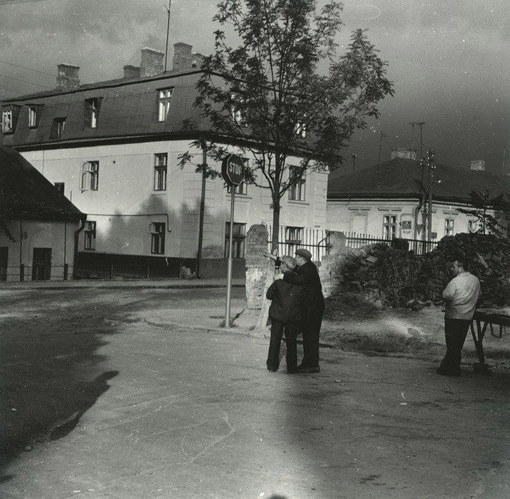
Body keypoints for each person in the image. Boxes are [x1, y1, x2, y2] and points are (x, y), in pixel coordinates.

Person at [281, 248, 325, 373]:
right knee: (309, 335)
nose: (295, 259)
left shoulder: (308, 269)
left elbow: (299, 279)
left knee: (311, 335)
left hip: (313, 308)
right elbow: (297, 270)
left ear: (301, 258)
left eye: (297, 257)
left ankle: (312, 364)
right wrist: (279, 259)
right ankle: (309, 363)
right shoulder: (308, 267)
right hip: (312, 307)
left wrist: (286, 274)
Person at [437, 258, 481, 377]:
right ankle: (448, 366)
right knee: (458, 344)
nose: (452, 269)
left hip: (453, 315)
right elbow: (479, 296)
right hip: (466, 316)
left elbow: (447, 295)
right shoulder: (475, 280)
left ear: (461, 267)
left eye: (454, 267)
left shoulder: (455, 281)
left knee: (451, 344)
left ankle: (453, 368)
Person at [265, 256, 305, 374]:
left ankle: (272, 366)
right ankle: (292, 368)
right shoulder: (299, 282)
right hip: (292, 316)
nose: (280, 266)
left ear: (284, 266)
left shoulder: (278, 281)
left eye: (282, 264)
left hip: (278, 315)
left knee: (275, 340)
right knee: (292, 342)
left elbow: (269, 295)